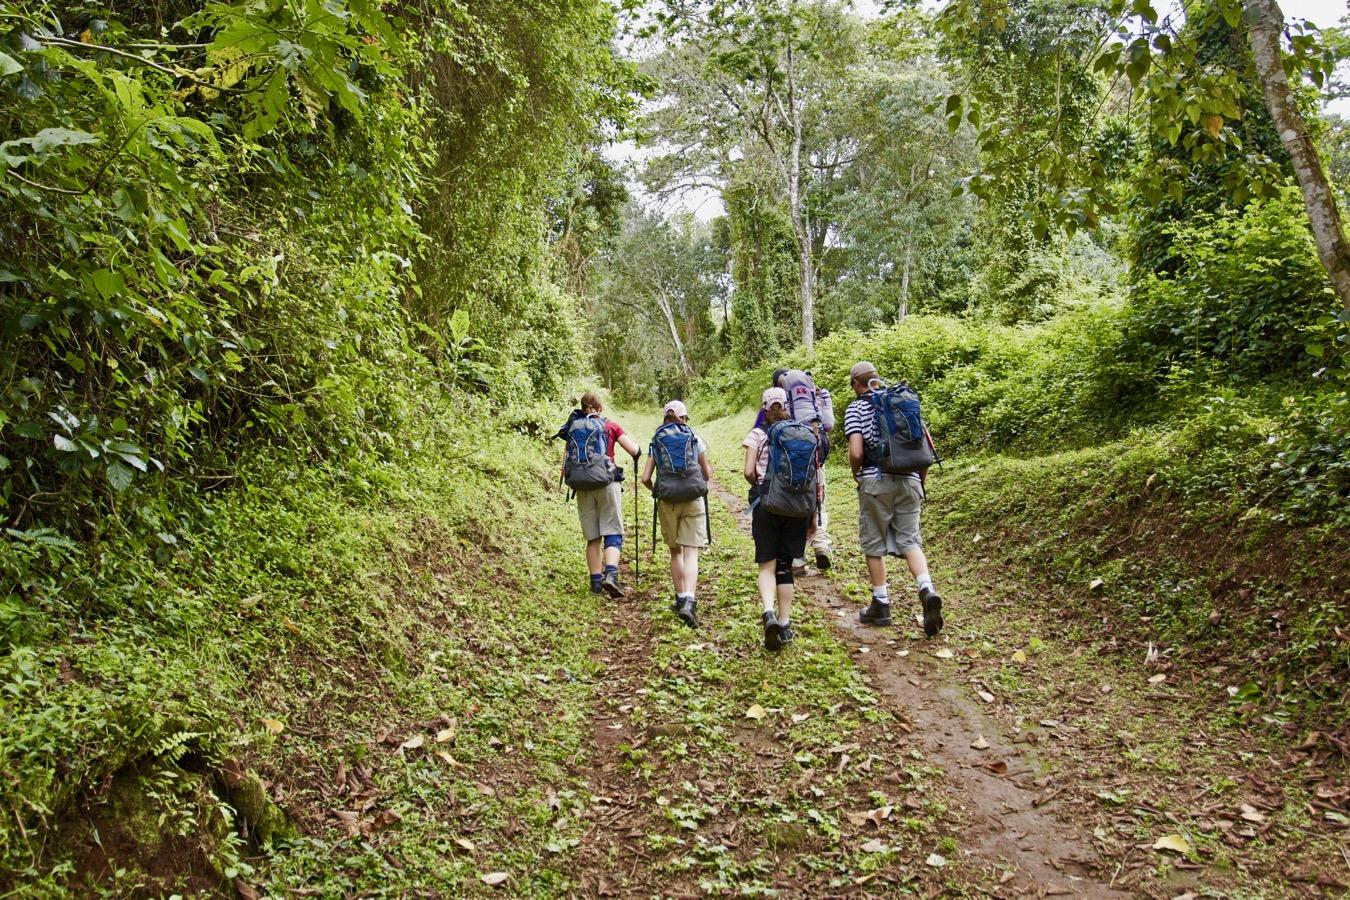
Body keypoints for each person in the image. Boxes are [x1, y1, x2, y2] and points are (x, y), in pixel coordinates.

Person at [844, 361, 944, 637]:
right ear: (876, 378)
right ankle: (926, 589)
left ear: (856, 383)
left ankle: (881, 604)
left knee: (874, 542)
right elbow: (927, 446)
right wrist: (919, 483)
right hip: (911, 478)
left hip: (876, 479)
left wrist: (858, 475)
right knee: (910, 540)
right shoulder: (903, 400)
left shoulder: (857, 407)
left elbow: (855, 452)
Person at [743, 387, 813, 651]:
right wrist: (813, 515)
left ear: (764, 408)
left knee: (766, 564)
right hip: (797, 508)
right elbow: (813, 477)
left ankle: (768, 613)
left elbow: (748, 471)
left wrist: (761, 485)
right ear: (787, 406)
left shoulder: (758, 434)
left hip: (767, 505)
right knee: (785, 565)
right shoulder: (803, 433)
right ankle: (785, 623)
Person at [560, 392, 640, 597]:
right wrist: (638, 451)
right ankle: (611, 575)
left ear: (582, 407)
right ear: (600, 407)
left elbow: (565, 464)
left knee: (593, 537)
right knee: (612, 529)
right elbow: (633, 450)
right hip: (607, 483)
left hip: (582, 486)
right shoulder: (610, 426)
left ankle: (595, 583)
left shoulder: (573, 428)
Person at [641, 400, 712, 628]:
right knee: (691, 552)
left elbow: (645, 478)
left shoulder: (657, 440)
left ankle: (680, 597)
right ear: (685, 418)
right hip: (692, 498)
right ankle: (690, 602)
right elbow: (706, 473)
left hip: (667, 500)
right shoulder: (694, 437)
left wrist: (657, 491)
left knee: (676, 552)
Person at [772, 367, 835, 572]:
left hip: (791, 460)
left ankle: (797, 558)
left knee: (796, 501)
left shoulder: (778, 401)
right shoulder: (816, 394)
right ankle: (821, 543)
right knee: (819, 498)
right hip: (817, 451)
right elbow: (829, 425)